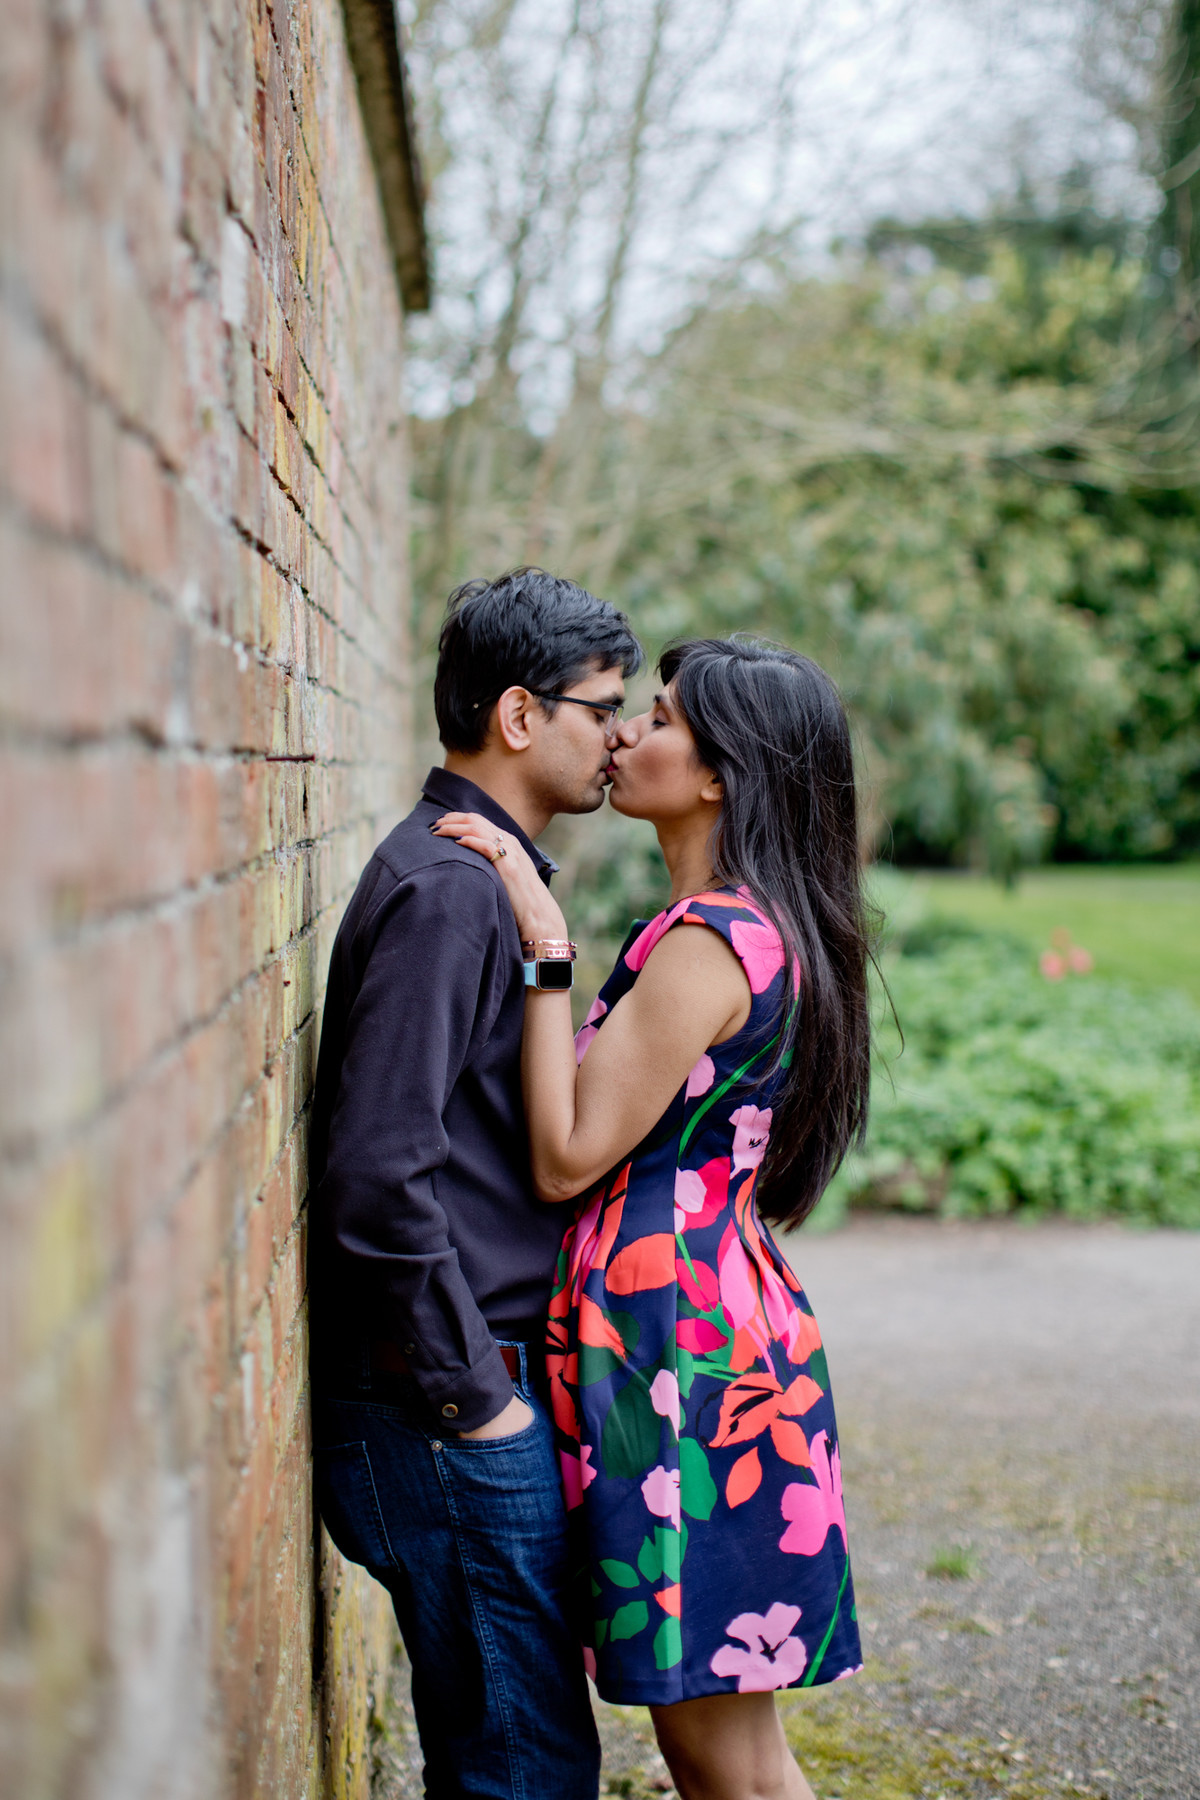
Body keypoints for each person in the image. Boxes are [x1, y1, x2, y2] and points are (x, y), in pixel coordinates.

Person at [435, 636, 872, 1800]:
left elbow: (568, 1154)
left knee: (723, 1750)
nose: (628, 732)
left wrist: (545, 951)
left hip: (682, 1350)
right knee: (711, 1740)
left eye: (663, 719)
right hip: (693, 1329)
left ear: (724, 773)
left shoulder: (710, 941)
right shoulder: (744, 923)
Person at [307, 568, 643, 1800]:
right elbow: (377, 1175)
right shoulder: (454, 894)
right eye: (600, 707)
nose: (620, 736)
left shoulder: (486, 880)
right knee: (526, 1771)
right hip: (439, 1410)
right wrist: (474, 1398)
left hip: (458, 1394)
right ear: (518, 716)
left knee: (524, 1755)